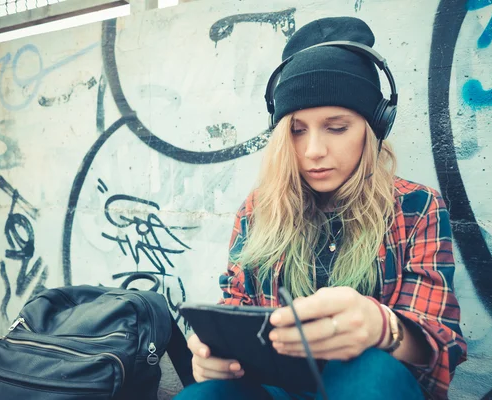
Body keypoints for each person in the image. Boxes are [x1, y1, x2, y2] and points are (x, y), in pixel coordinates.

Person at [175, 16, 467, 400]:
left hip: (370, 388)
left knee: (371, 371)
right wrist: (209, 354)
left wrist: (383, 328)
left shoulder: (415, 207)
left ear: (373, 126)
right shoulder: (257, 209)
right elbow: (235, 303)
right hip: (274, 388)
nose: (313, 150)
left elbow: (439, 341)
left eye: (336, 127)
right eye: (297, 130)